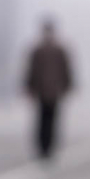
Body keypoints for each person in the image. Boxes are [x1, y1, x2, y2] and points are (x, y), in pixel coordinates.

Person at [24, 20, 73, 158]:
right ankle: (45, 147)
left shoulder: (51, 50)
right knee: (45, 120)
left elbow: (66, 70)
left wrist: (67, 85)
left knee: (47, 120)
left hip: (49, 91)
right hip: (47, 91)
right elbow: (31, 71)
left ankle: (46, 147)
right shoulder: (42, 50)